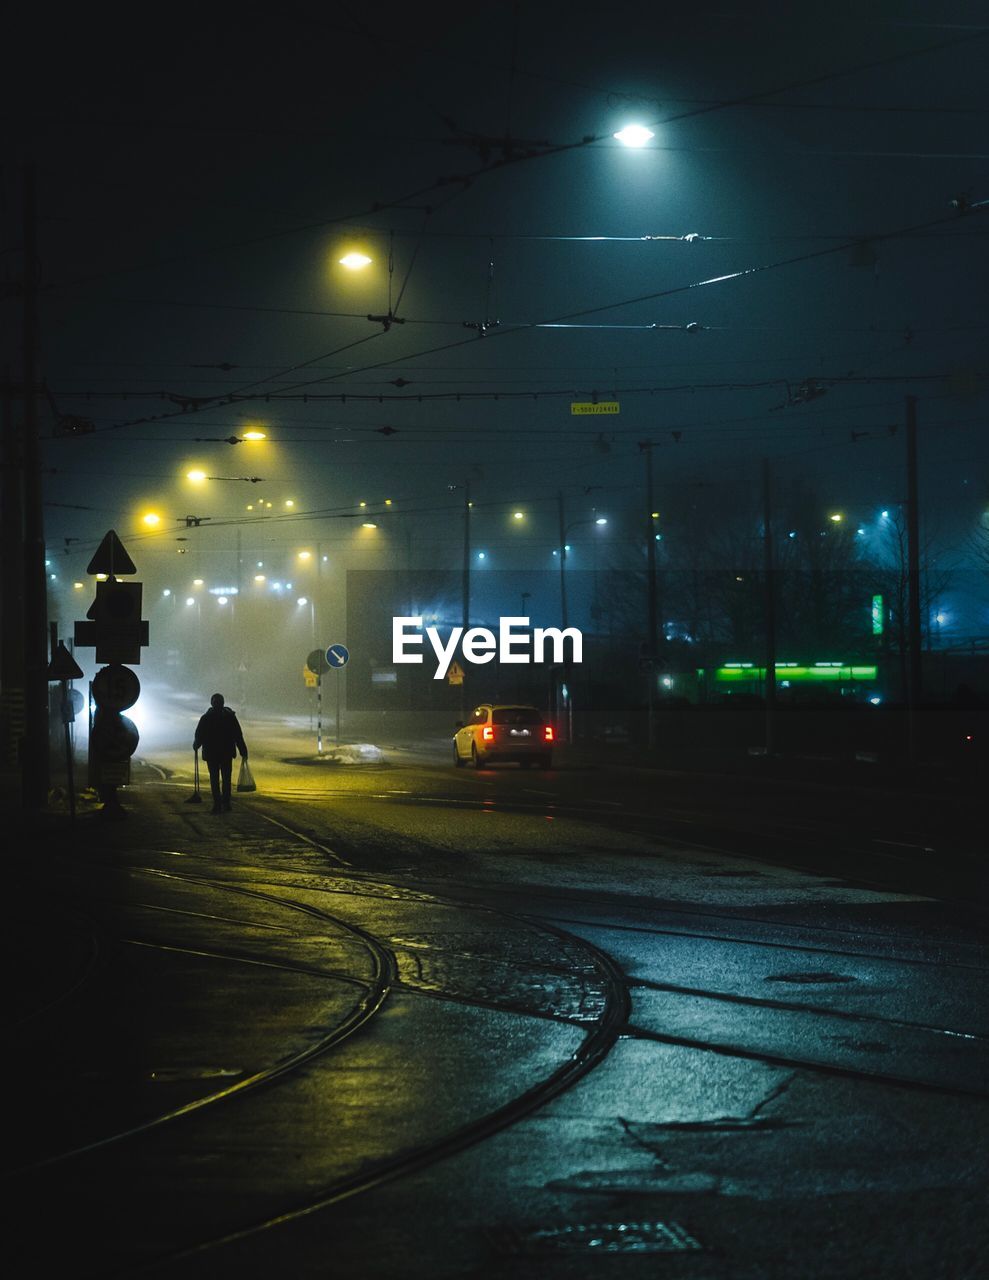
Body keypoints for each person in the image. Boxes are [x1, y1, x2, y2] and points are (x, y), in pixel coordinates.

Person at [193, 693, 249, 813]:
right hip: (226, 753)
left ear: (212, 703)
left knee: (214, 779)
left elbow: (199, 735)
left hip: (212, 753)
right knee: (226, 778)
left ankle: (217, 804)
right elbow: (238, 735)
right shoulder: (230, 717)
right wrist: (242, 749)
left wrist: (196, 744)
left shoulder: (206, 718)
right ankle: (226, 803)